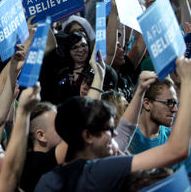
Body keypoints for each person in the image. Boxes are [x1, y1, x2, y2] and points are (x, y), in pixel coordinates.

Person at [35, 57, 191, 192]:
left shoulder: (47, 180)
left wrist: (140, 90)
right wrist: (188, 81)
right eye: (108, 130)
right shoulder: (100, 171)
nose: (115, 134)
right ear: (88, 136)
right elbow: (177, 151)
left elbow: (125, 131)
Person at [129, 76, 191, 174]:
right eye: (169, 102)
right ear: (147, 104)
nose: (175, 109)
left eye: (175, 103)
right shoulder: (126, 140)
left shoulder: (176, 142)